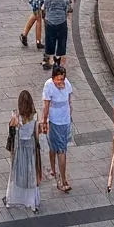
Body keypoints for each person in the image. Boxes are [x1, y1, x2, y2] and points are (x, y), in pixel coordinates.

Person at [41, 62, 75, 193]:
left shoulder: (67, 84)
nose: (61, 81)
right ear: (53, 78)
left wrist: (69, 112)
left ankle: (55, 171)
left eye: (63, 78)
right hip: (55, 122)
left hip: (65, 120)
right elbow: (46, 105)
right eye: (59, 79)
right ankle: (62, 179)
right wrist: (44, 121)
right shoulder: (48, 85)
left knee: (57, 146)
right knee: (60, 149)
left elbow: (69, 99)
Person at [6, 88, 42, 212]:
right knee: (31, 173)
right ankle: (32, 202)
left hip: (19, 148)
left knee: (17, 173)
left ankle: (14, 198)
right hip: (31, 148)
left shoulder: (16, 116)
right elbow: (37, 134)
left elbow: (10, 131)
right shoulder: (35, 116)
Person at [41, 0, 71, 67]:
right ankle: (58, 58)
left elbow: (44, 8)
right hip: (61, 23)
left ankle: (47, 57)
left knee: (49, 39)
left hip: (50, 22)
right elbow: (68, 9)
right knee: (61, 41)